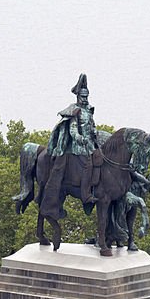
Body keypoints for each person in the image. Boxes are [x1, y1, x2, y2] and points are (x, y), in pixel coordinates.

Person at [42, 73, 99, 217]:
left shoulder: (89, 111)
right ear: (78, 96)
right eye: (83, 97)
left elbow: (91, 126)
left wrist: (94, 131)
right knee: (88, 165)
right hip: (77, 147)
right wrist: (80, 138)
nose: (85, 99)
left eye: (87, 96)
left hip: (90, 145)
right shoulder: (75, 111)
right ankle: (86, 195)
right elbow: (73, 130)